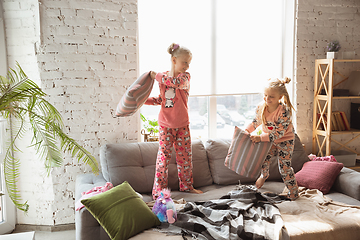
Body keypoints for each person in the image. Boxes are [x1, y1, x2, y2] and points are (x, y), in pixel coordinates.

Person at [145, 43, 203, 199]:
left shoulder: (185, 77)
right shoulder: (163, 78)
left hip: (182, 125)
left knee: (185, 158)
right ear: (174, 60)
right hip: (165, 125)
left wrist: (155, 75)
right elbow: (162, 99)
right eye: (185, 62)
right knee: (162, 159)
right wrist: (144, 100)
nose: (187, 66)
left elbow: (174, 83)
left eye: (189, 63)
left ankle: (187, 186)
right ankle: (158, 191)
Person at [245, 77, 299, 200]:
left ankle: (294, 192)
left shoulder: (284, 111)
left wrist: (260, 138)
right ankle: (264, 176)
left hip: (285, 141)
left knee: (284, 167)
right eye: (265, 95)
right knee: (263, 160)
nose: (267, 99)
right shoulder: (261, 107)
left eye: (271, 97)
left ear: (280, 97)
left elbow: (279, 133)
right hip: (269, 140)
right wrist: (246, 131)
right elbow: (256, 122)